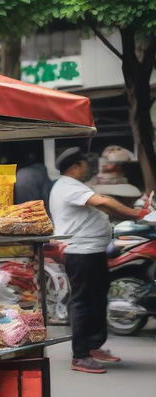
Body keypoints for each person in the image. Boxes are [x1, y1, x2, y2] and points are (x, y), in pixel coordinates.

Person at [49, 147, 149, 373]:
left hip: (92, 251)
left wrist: (130, 213)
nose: (88, 169)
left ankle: (93, 345)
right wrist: (137, 215)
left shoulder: (72, 186)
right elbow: (103, 202)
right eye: (85, 164)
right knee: (83, 302)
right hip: (81, 252)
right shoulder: (68, 186)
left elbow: (105, 204)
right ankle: (80, 355)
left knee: (96, 300)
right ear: (75, 166)